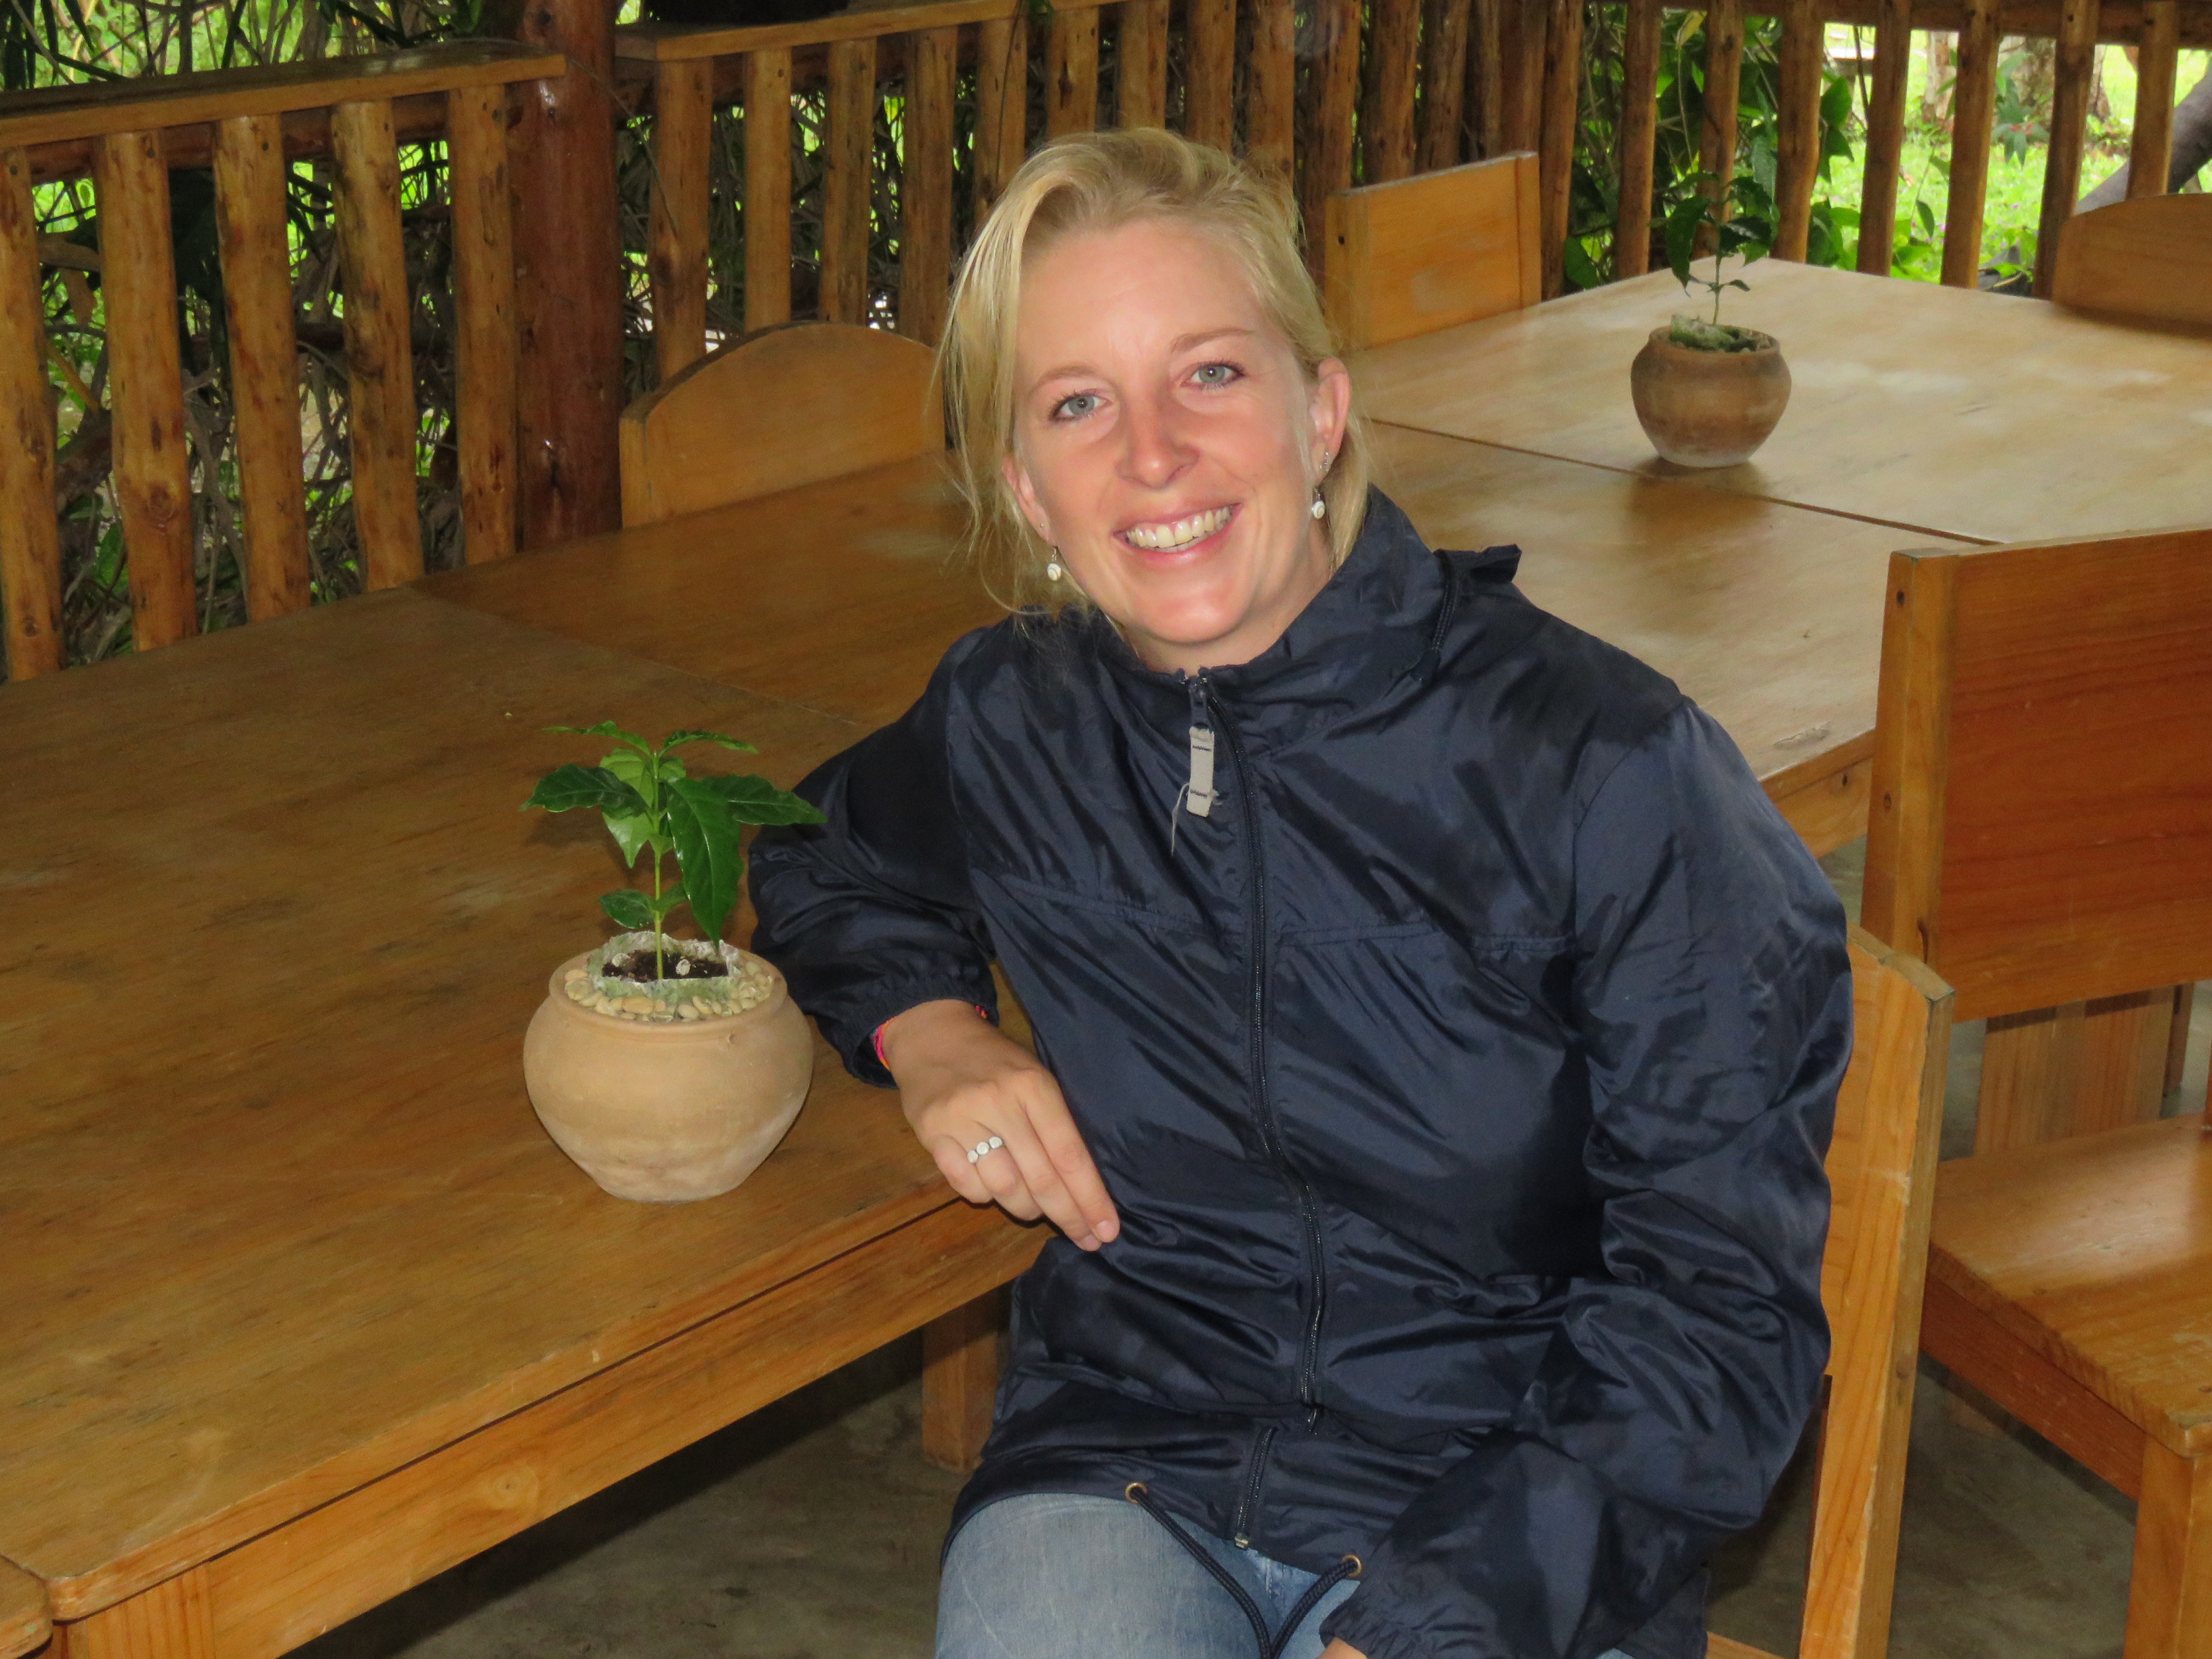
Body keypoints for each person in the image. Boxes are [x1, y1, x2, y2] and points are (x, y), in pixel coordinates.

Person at [748, 128, 1851, 1659]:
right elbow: (817, 848)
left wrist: (1450, 1618)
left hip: (1512, 1505)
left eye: (1209, 374)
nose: (1152, 455)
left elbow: (1722, 1307)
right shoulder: (1017, 716)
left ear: (1321, 411)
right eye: (1078, 404)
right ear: (1026, 491)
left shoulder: (1605, 765)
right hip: (1131, 1451)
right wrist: (929, 1031)